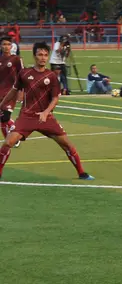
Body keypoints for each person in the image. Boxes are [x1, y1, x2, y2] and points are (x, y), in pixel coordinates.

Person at [0, 42, 93, 181]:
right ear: (34, 56)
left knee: (67, 144)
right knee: (7, 143)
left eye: (45, 55)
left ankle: (82, 173)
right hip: (27, 117)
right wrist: (1, 104)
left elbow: (55, 98)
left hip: (46, 118)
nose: (42, 58)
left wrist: (45, 112)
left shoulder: (52, 76)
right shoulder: (24, 73)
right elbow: (14, 90)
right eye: (40, 54)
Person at [0, 37, 23, 137]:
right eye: (4, 44)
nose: (6, 46)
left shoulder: (16, 59)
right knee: (3, 119)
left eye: (8, 44)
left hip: (11, 92)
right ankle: (13, 137)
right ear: (0, 46)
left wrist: (21, 92)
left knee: (4, 117)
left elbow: (22, 76)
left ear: (11, 46)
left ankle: (10, 139)